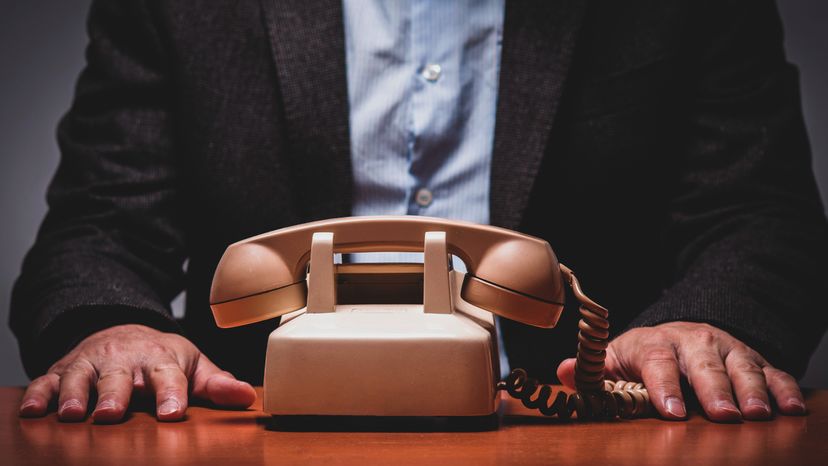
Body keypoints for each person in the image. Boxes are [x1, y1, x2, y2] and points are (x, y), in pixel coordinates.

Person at [11, 0, 828, 424]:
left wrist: (699, 324)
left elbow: (758, 210)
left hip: (584, 434)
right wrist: (114, 327)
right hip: (252, 430)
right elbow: (101, 221)